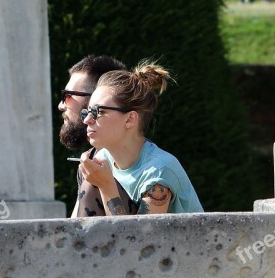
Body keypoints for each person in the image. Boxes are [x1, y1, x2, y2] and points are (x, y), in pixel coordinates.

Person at [78, 60, 203, 215]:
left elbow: (139, 238)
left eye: (98, 111)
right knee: (90, 182)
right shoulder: (100, 160)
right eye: (87, 111)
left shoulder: (158, 171)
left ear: (130, 119)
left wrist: (106, 186)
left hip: (176, 240)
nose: (86, 120)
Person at [57, 55, 130, 217]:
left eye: (68, 96)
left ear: (97, 100)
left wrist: (106, 185)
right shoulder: (92, 159)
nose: (61, 105)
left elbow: (137, 239)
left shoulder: (144, 164)